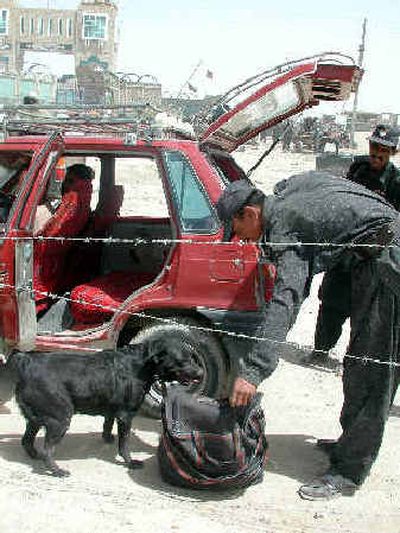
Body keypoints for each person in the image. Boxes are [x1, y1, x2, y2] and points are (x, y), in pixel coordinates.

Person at [216, 173, 400, 500]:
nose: (241, 240)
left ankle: (348, 472)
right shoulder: (285, 191)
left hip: (388, 262)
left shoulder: (286, 229)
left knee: (372, 370)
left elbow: (286, 300)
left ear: (251, 213)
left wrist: (253, 371)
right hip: (372, 253)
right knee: (358, 362)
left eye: (238, 231)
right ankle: (350, 444)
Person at [312, 124, 400, 363]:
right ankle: (320, 351)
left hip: (372, 259)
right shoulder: (358, 169)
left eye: (383, 149)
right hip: (344, 253)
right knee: (331, 303)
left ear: (393, 152)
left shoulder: (396, 182)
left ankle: (354, 361)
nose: (376, 153)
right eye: (374, 146)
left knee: (364, 313)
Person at [33, 164, 94, 314]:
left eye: (68, 180)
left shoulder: (71, 203)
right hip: (61, 252)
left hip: (46, 252)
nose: (64, 183)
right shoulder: (82, 203)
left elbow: (48, 236)